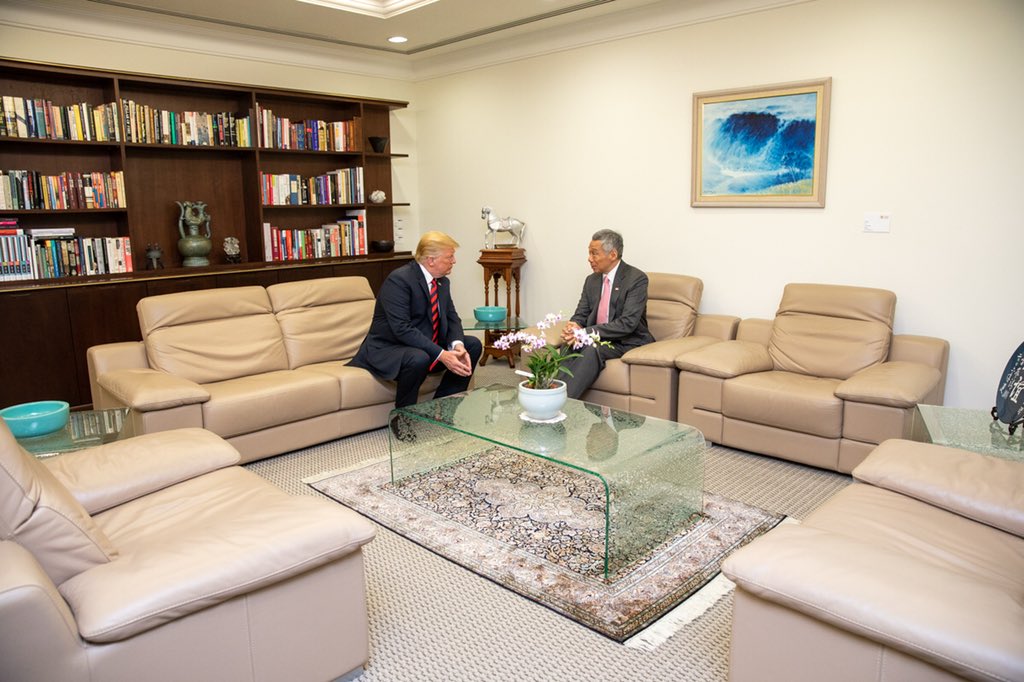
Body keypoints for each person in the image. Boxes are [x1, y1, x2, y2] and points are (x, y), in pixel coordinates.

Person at [350, 231, 482, 408]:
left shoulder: (442, 282)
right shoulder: (399, 280)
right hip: (390, 348)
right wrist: (442, 354)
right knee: (419, 357)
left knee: (472, 345)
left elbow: (452, 318)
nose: (454, 261)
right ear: (431, 260)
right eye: (450, 257)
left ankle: (443, 408)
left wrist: (457, 345)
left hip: (424, 344)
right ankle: (404, 421)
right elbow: (402, 328)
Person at [559, 229, 654, 399]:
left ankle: (562, 402)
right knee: (569, 345)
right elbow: (582, 313)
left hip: (627, 340)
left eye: (594, 254)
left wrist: (585, 333)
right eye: (589, 253)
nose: (589, 259)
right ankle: (551, 394)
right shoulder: (592, 280)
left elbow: (628, 324)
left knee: (590, 349)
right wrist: (574, 326)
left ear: (613, 254)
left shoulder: (636, 279)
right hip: (597, 337)